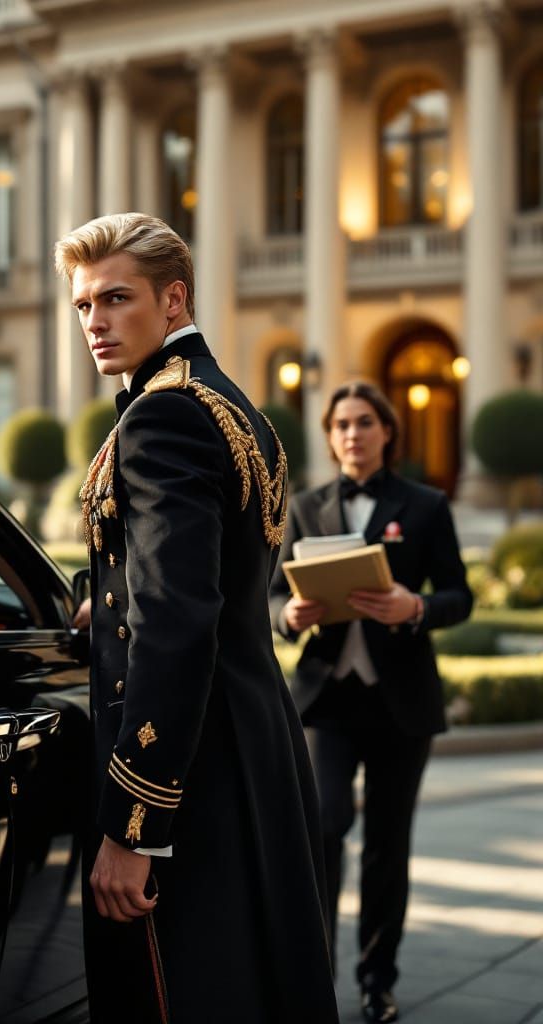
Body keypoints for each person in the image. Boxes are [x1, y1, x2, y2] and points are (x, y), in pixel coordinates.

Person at [55, 212, 339, 1023]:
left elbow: (176, 627)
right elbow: (205, 575)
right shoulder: (234, 404)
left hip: (193, 769)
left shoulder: (160, 415)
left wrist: (132, 827)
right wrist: (102, 591)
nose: (96, 323)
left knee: (185, 995)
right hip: (254, 739)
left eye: (117, 299)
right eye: (83, 306)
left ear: (173, 300)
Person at [269, 381, 473, 1023]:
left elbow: (460, 595)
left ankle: (376, 981)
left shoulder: (426, 505)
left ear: (387, 431)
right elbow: (272, 597)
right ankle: (315, 975)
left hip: (401, 704)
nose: (352, 434)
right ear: (329, 438)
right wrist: (291, 616)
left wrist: (416, 607)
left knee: (389, 846)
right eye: (341, 425)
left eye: (364, 423)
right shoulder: (302, 507)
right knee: (323, 827)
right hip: (327, 698)